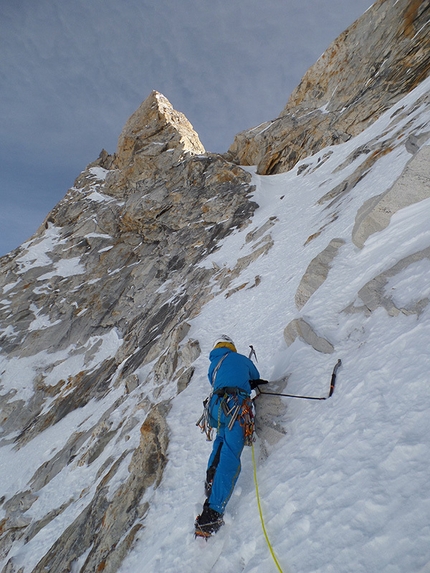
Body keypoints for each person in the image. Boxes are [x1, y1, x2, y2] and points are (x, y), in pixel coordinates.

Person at [195, 334, 266, 537]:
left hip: (216, 409)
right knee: (231, 456)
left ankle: (211, 479)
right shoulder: (241, 358)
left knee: (220, 441)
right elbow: (255, 375)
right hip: (236, 406)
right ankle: (212, 514)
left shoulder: (213, 365)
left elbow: (216, 383)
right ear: (232, 347)